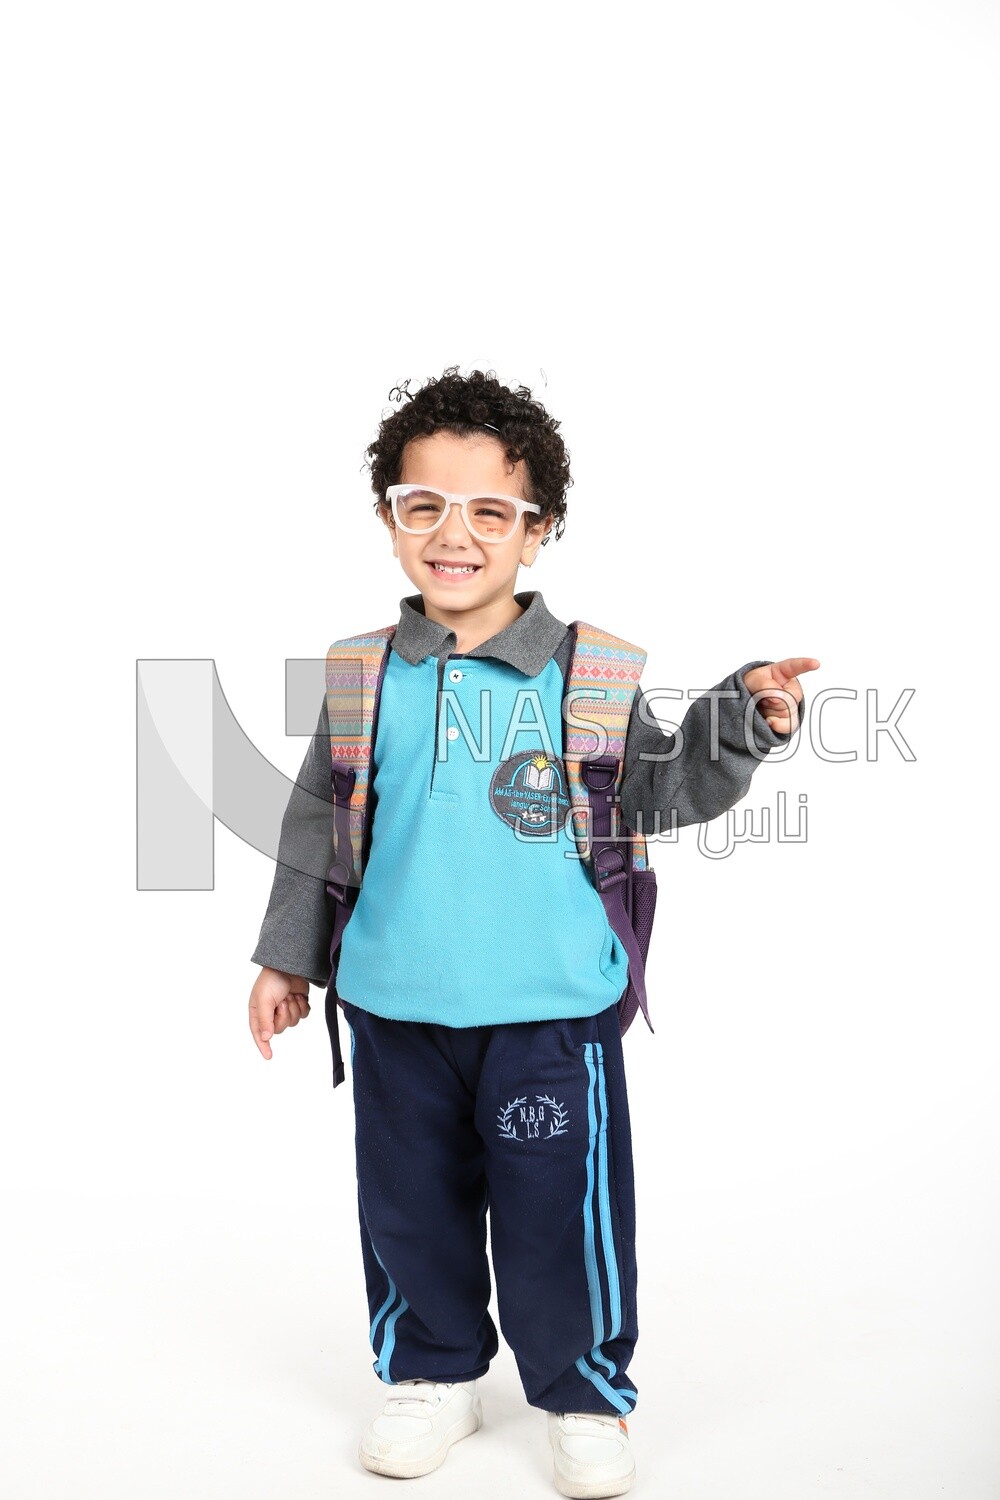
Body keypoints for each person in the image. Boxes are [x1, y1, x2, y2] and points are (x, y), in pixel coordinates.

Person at [247, 367, 818, 1499]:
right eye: (424, 506)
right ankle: (431, 1371)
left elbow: (660, 791)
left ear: (537, 529)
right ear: (388, 519)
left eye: (490, 512)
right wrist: (285, 955)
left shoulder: (585, 674)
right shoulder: (362, 673)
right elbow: (320, 820)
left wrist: (740, 715)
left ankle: (583, 1392)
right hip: (396, 1007)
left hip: (549, 1010)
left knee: (562, 1215)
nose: (453, 535)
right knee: (407, 1205)